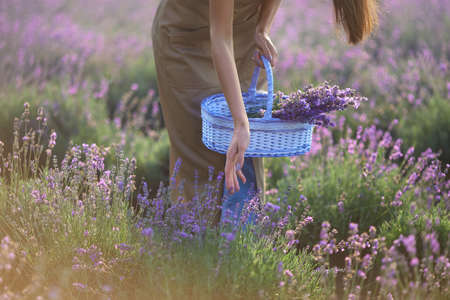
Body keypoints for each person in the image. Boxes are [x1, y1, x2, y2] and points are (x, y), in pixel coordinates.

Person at [151, 0, 378, 225]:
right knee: (203, 154)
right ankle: (191, 250)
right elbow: (220, 40)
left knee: (247, 154)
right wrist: (240, 123)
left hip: (243, 38)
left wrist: (262, 28)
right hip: (188, 39)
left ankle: (238, 248)